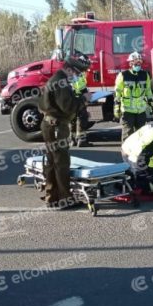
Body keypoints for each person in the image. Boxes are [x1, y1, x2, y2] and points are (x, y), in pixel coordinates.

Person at [37, 53, 90, 209]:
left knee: (53, 162)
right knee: (61, 163)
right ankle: (65, 199)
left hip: (51, 124)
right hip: (56, 126)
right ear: (71, 69)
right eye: (79, 72)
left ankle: (52, 197)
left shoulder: (59, 80)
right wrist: (84, 99)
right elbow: (68, 107)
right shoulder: (60, 82)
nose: (79, 76)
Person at [115, 52, 153, 141]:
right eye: (136, 63)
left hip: (141, 110)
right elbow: (118, 91)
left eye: (139, 63)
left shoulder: (145, 75)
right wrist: (117, 106)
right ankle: (126, 153)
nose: (138, 64)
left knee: (141, 134)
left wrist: (151, 102)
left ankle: (139, 153)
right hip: (127, 110)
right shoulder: (123, 75)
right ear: (131, 63)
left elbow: (148, 90)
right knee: (127, 134)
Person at [69, 70, 95, 147]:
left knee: (72, 121)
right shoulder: (78, 77)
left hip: (70, 101)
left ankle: (72, 140)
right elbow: (82, 89)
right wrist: (87, 97)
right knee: (82, 119)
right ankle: (81, 140)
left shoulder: (69, 75)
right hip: (78, 101)